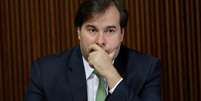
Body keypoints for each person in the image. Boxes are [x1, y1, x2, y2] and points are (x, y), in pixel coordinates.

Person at [24, 0, 161, 101]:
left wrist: (111, 75)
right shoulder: (45, 71)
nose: (100, 41)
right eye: (92, 30)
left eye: (110, 30)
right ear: (78, 32)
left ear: (122, 34)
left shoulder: (147, 68)